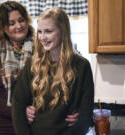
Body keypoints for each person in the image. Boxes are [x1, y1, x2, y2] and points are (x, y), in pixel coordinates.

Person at [12, 7, 94, 135]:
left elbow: (86, 114)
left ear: (63, 31)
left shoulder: (82, 66)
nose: (42, 37)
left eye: (48, 31)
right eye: (39, 32)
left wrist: (78, 125)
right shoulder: (33, 65)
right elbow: (18, 105)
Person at [0, 1, 34, 135]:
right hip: (6, 127)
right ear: (3, 27)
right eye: (11, 23)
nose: (19, 26)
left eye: (21, 20)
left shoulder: (42, 50)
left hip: (37, 124)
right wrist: (19, 110)